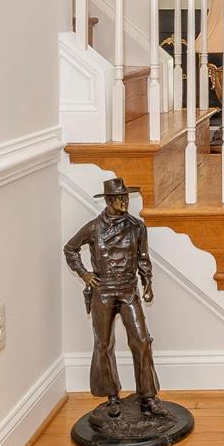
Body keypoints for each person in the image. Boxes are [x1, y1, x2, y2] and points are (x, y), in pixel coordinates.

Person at [62, 176, 161, 417]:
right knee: (103, 344)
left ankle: (147, 396)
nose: (124, 201)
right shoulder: (94, 227)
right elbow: (70, 249)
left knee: (141, 340)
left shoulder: (137, 227)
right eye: (119, 198)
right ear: (108, 200)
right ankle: (112, 397)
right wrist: (85, 275)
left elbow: (143, 258)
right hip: (103, 291)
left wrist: (147, 283)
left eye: (125, 197)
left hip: (128, 289)